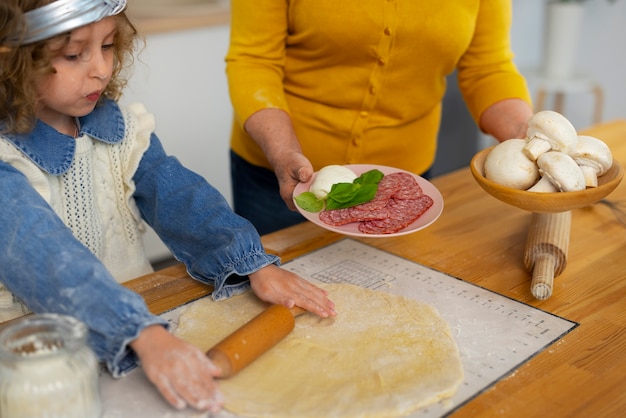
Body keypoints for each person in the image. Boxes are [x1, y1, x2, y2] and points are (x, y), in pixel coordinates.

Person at [0, 0, 335, 413]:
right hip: (40, 358)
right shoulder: (5, 160)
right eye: (74, 55)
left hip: (143, 327)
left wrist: (249, 261)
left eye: (108, 46)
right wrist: (140, 333)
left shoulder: (119, 130)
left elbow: (180, 197)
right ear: (12, 60)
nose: (101, 68)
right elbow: (49, 261)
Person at [226, 0, 535, 235]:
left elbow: (488, 67)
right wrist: (283, 150)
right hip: (280, 174)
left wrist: (529, 136)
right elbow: (254, 60)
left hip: (400, 184)